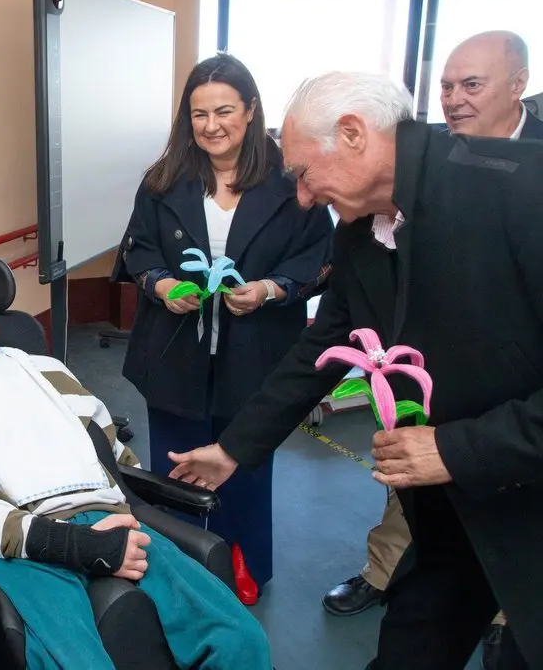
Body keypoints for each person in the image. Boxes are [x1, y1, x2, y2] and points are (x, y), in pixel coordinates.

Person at [169, 70, 543, 670]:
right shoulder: (361, 231)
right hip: (456, 507)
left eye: (303, 173)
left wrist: (458, 448)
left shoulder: (522, 191)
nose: (302, 197)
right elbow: (323, 345)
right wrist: (235, 447)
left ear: (352, 134)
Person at [0, 255, 271, 670]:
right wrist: (80, 546)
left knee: (242, 639)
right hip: (31, 549)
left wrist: (126, 507)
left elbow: (111, 451)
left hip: (112, 519)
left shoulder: (45, 368)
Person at [322, 33, 543, 661]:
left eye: (471, 85)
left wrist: (459, 446)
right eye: (446, 87)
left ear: (517, 84)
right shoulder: (406, 189)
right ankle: (382, 574)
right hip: (436, 436)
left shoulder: (532, 182)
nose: (454, 99)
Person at [111, 53, 334, 603]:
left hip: (257, 352)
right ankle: (175, 561)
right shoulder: (163, 180)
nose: (212, 126)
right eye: (199, 114)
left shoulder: (291, 182)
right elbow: (137, 248)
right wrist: (162, 285)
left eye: (225, 111)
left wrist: (271, 289)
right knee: (174, 463)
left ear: (252, 110)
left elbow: (320, 257)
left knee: (246, 460)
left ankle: (243, 559)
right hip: (173, 351)